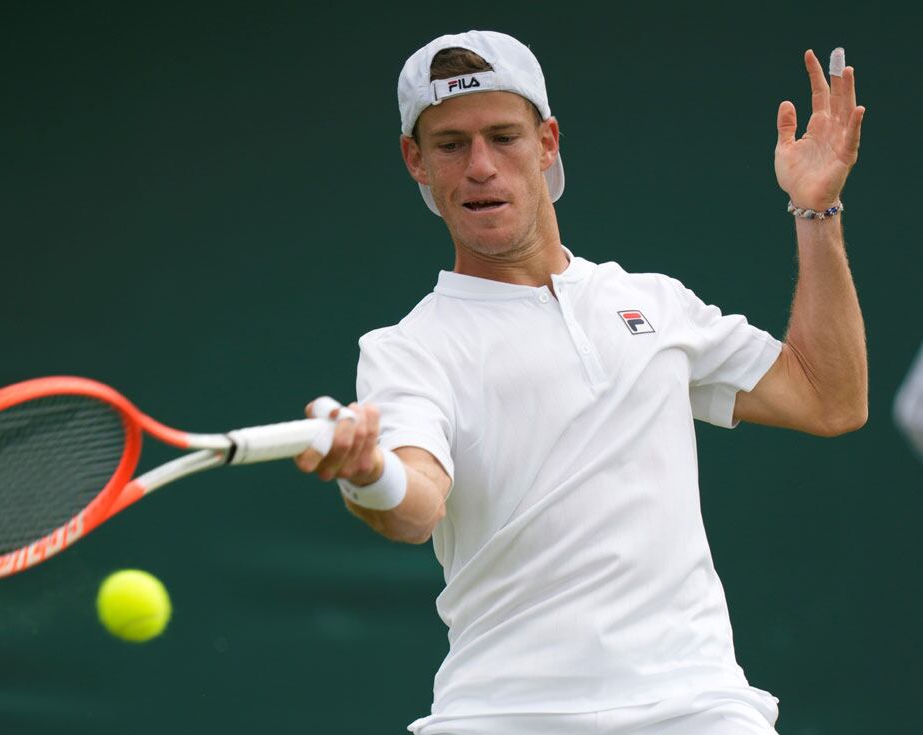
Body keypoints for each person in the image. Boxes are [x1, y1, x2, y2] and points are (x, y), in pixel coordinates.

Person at [295, 30, 867, 735]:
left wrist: (816, 210)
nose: (480, 166)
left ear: (547, 142)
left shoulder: (655, 303)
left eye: (503, 136)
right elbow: (414, 505)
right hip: (498, 714)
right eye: (450, 144)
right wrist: (367, 472)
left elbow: (830, 398)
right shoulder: (407, 349)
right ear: (416, 159)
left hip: (697, 706)